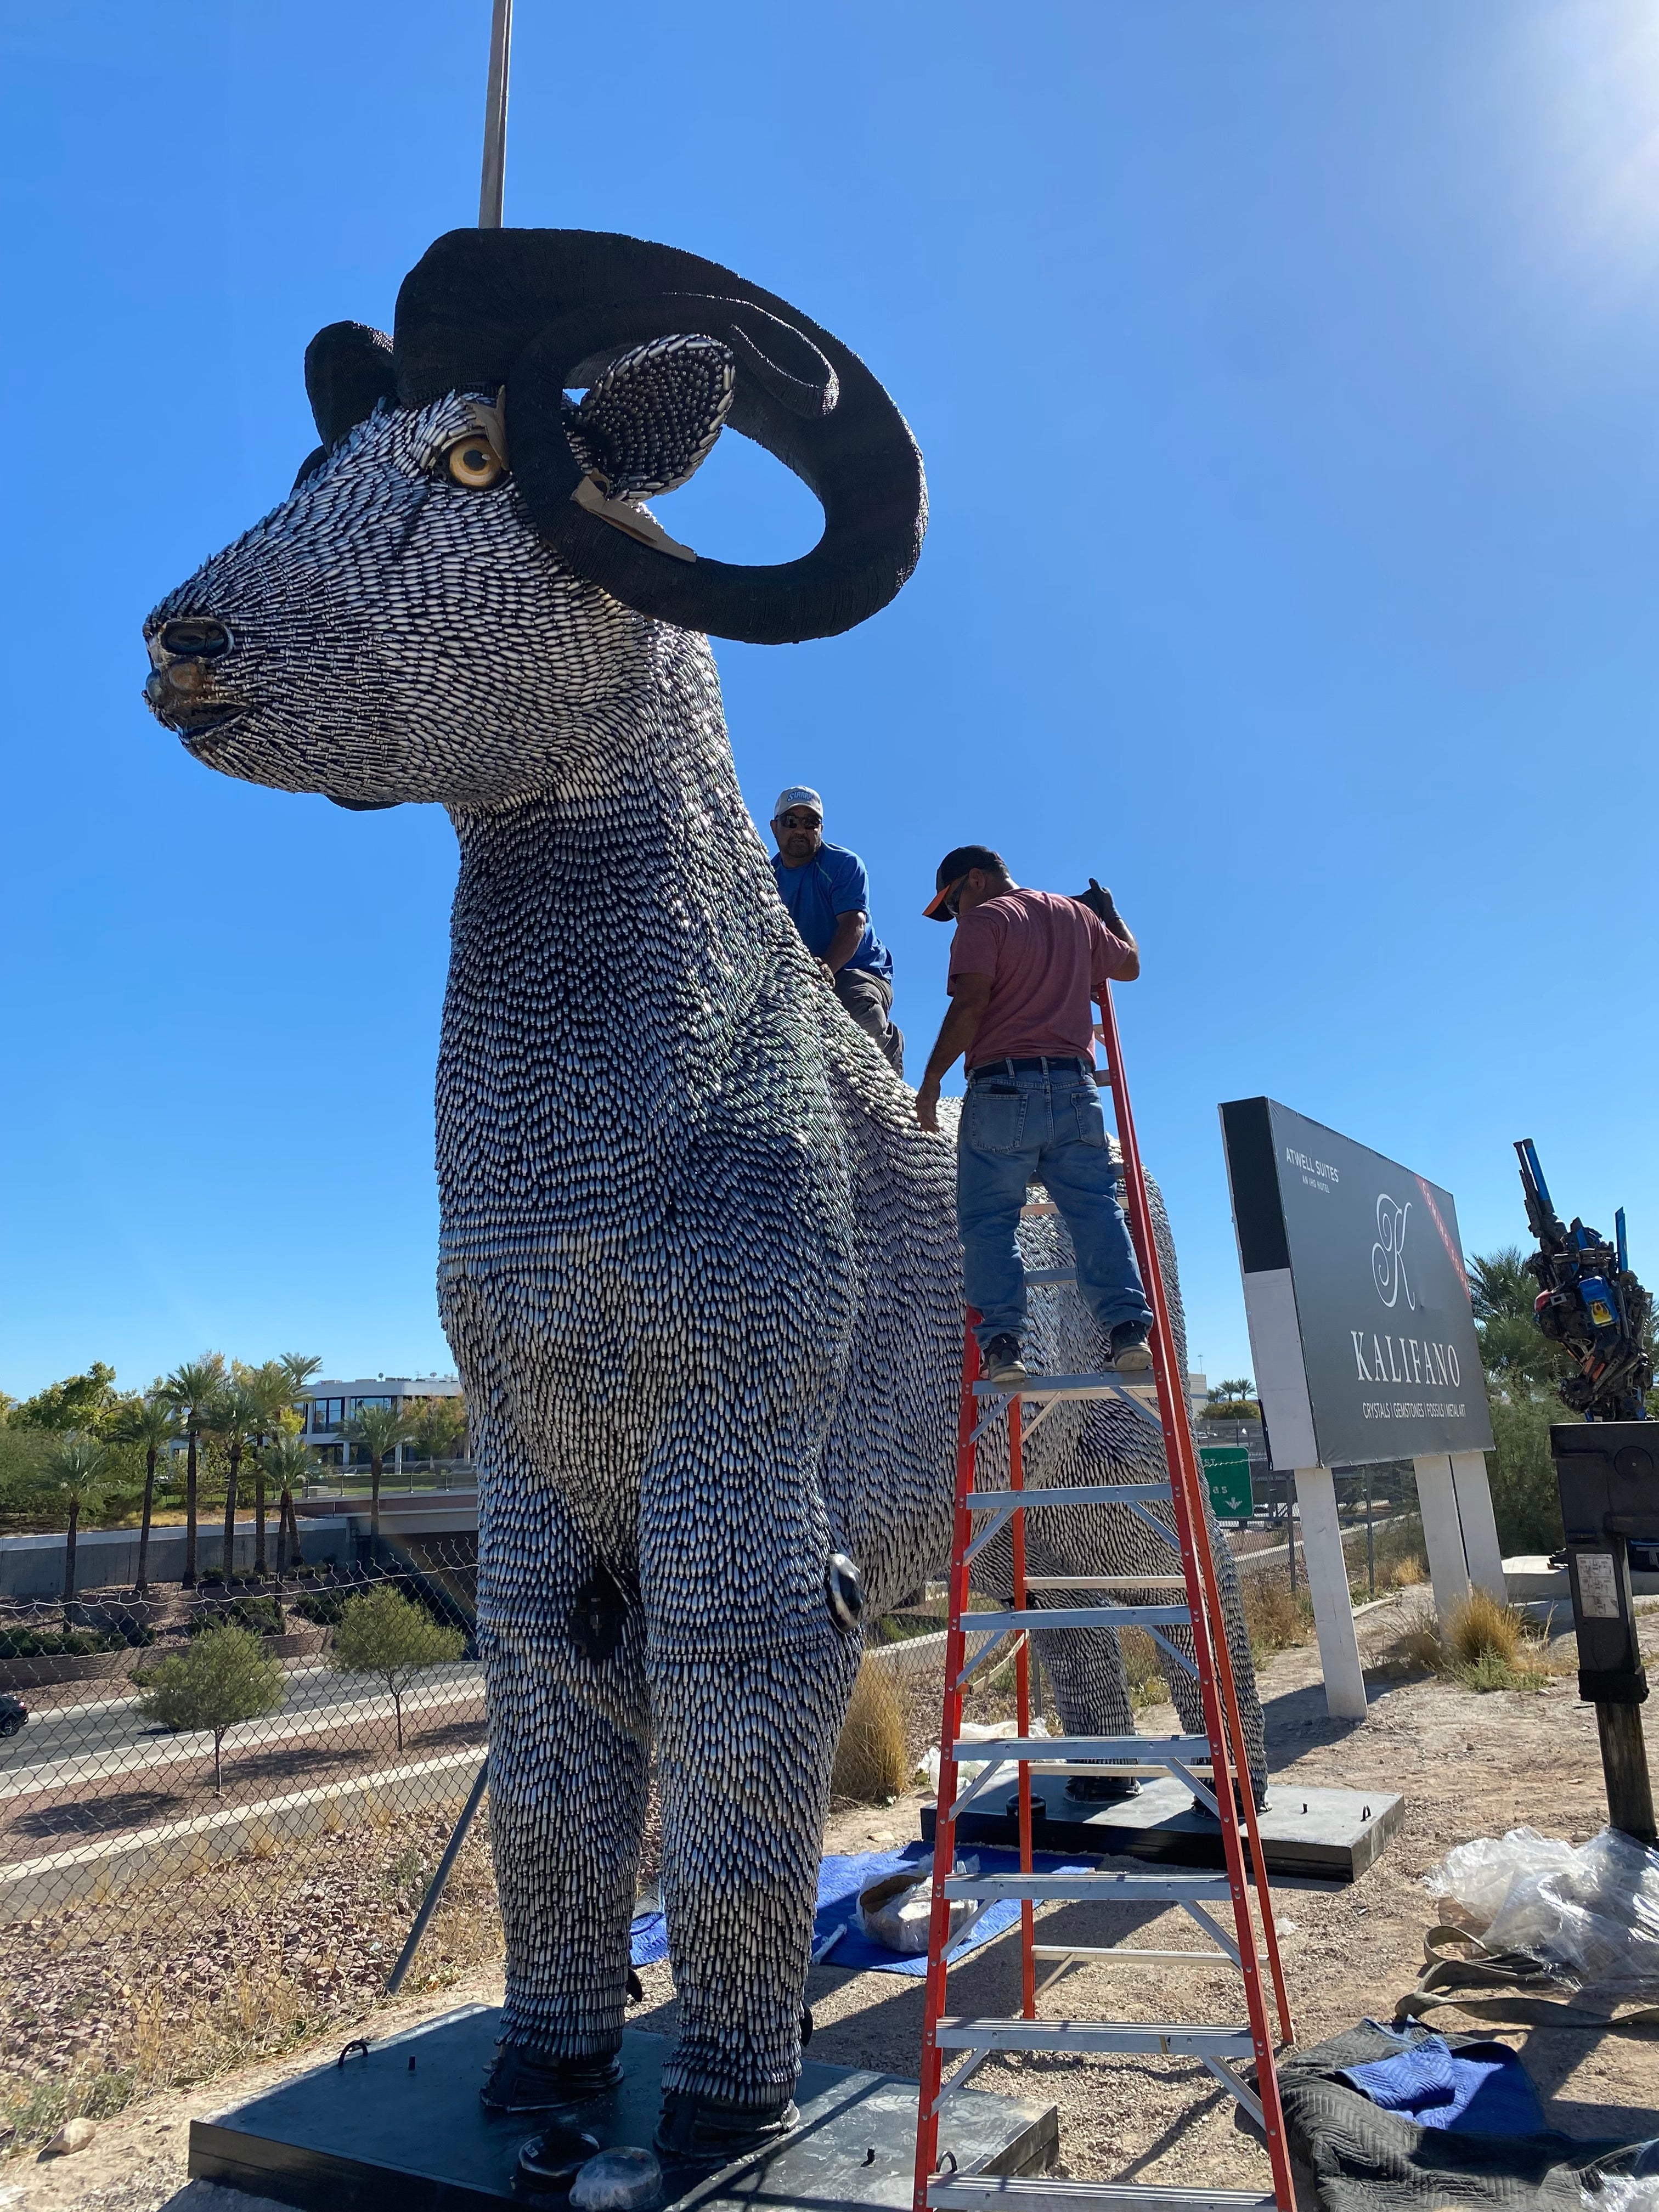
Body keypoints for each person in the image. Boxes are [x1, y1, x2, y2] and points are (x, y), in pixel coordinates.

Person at [914, 845, 1155, 1390]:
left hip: (1003, 1089)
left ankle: (1003, 1345)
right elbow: (1132, 966)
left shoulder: (984, 922)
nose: (954, 915)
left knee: (989, 1222)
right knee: (1094, 1209)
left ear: (974, 880)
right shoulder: (1076, 917)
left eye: (951, 903)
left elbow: (971, 1003)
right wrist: (1110, 912)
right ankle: (1125, 1332)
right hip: (1074, 1088)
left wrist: (931, 1081)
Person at [769, 786, 904, 1075]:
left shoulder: (843, 865)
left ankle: (888, 1051)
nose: (800, 830)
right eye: (791, 822)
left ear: (821, 829)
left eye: (810, 823)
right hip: (800, 973)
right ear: (775, 827)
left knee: (853, 1004)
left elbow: (854, 924)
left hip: (857, 969)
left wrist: (826, 970)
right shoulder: (768, 879)